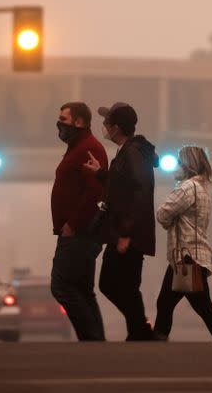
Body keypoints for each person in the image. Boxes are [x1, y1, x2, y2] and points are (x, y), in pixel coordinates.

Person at [83, 102, 159, 341]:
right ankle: (138, 331)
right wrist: (101, 173)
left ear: (116, 128)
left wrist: (126, 232)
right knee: (126, 285)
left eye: (106, 123)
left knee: (111, 283)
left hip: (128, 233)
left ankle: (140, 329)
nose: (103, 127)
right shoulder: (129, 151)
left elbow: (139, 191)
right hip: (126, 231)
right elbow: (123, 185)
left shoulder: (133, 153)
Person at [153, 146, 212, 342]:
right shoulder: (201, 189)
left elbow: (162, 213)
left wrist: (169, 220)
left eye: (179, 161)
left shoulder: (187, 188)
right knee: (173, 304)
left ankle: (157, 346)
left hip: (187, 258)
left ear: (189, 165)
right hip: (193, 256)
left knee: (199, 308)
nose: (176, 166)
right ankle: (157, 344)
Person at [50, 102, 109, 341]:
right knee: (83, 290)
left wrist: (71, 225)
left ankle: (90, 338)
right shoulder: (78, 146)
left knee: (62, 287)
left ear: (79, 122)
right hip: (80, 233)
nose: (59, 123)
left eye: (63, 119)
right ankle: (96, 343)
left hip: (79, 234)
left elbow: (94, 192)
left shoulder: (87, 148)